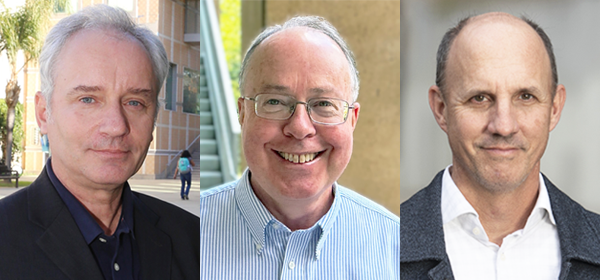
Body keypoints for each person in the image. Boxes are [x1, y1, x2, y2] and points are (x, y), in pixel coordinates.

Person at [0, 5, 199, 279]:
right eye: (88, 99)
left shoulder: (193, 240)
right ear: (44, 113)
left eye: (134, 102)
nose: (116, 126)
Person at [400, 12, 600, 279]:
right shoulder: (379, 246)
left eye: (526, 96)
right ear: (441, 108)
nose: (503, 126)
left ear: (554, 107)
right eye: (479, 98)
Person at [200, 16, 400, 279]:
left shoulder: (396, 248)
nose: (300, 127)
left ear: (352, 119)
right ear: (242, 113)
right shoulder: (184, 235)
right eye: (275, 102)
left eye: (324, 104)